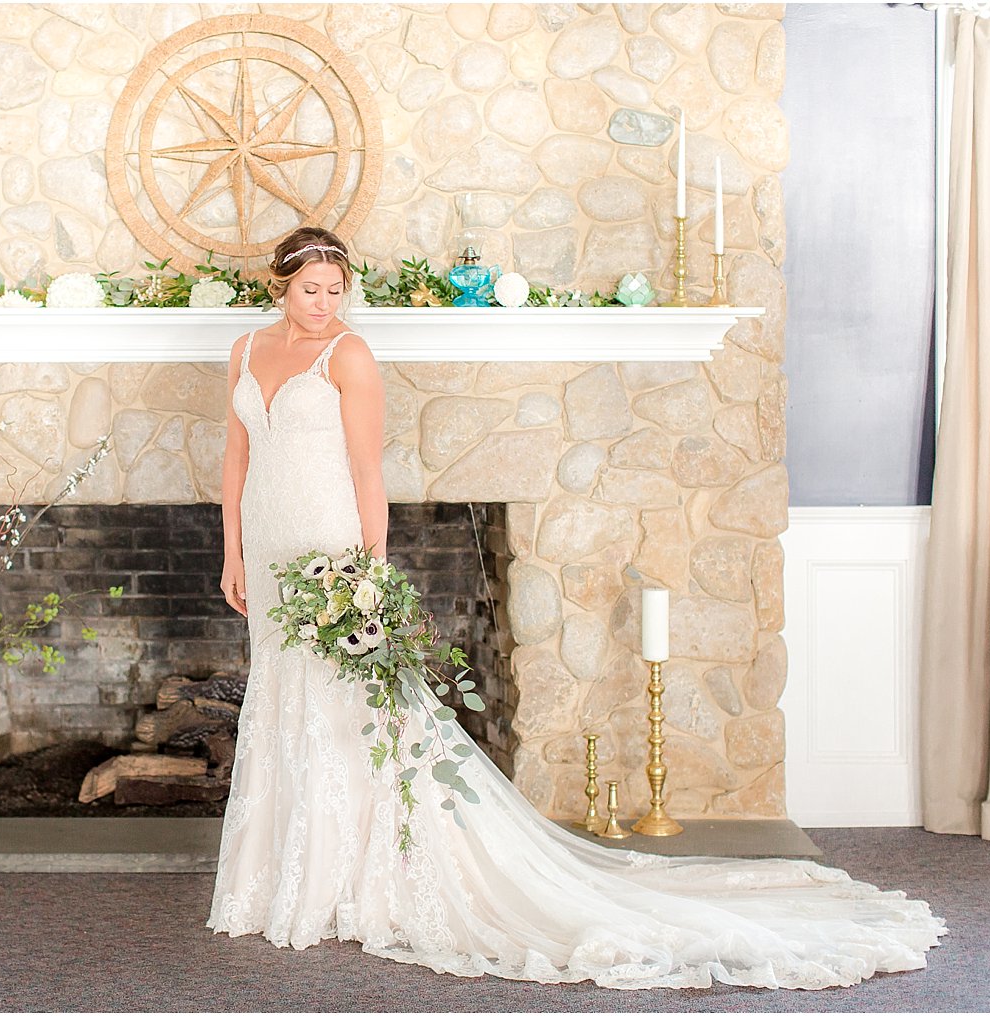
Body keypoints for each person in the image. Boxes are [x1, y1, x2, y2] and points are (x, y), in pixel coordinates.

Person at [207, 225, 947, 989]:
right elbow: (237, 457)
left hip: (332, 550)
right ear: (279, 286)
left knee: (345, 708)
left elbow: (368, 471)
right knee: (285, 698)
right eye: (311, 291)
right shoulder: (244, 350)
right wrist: (231, 552)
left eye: (336, 290)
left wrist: (370, 570)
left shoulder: (350, 356)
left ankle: (348, 879)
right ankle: (285, 877)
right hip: (268, 549)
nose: (327, 304)